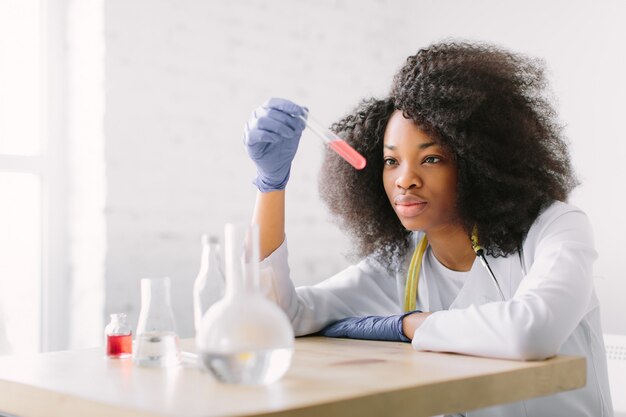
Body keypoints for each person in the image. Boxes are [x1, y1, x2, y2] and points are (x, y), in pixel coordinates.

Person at [243, 41, 613, 416]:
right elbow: (275, 317)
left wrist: (409, 326)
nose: (405, 180)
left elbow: (532, 332)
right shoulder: (404, 260)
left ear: (477, 162)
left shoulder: (554, 228)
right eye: (391, 161)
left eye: (431, 158)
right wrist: (271, 186)